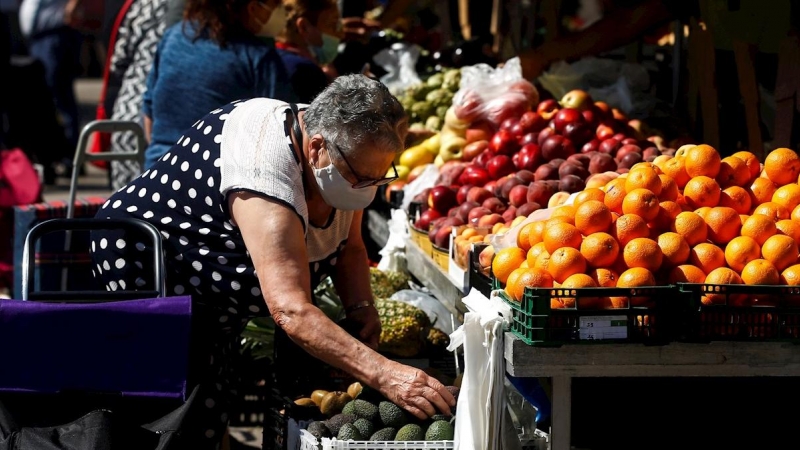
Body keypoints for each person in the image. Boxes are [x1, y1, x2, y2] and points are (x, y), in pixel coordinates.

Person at [89, 74, 456, 449]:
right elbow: (290, 310)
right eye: (361, 178)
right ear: (315, 149)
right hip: (153, 264)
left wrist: (361, 309)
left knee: (213, 392)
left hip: (217, 292)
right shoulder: (264, 170)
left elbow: (351, 247)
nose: (368, 188)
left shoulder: (344, 164)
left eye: (378, 179)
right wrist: (385, 374)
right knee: (171, 400)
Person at [141, 0, 298, 170]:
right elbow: (280, 133)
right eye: (276, 5)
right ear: (253, 8)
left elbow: (148, 113)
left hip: (157, 172)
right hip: (217, 182)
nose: (282, 12)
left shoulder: (173, 36)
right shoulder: (259, 57)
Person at [104, 0, 169, 190]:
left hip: (129, 112)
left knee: (122, 198)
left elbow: (119, 59)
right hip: (160, 117)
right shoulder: (190, 12)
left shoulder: (145, 5)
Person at [18, 0, 83, 152]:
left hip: (54, 35)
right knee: (43, 97)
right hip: (38, 38)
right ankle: (52, 153)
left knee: (59, 95)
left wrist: (73, 6)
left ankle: (69, 154)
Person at [274, 0, 341, 103]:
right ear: (303, 27)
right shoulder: (305, 71)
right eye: (332, 25)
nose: (341, 35)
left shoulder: (274, 59)